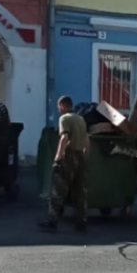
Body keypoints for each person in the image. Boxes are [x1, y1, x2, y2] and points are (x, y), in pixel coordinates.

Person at [39, 95, 90, 233]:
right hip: (80, 156)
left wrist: (58, 158)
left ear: (62, 106)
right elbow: (87, 139)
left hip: (69, 156)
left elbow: (64, 137)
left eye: (59, 107)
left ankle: (52, 221)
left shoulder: (64, 118)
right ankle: (81, 221)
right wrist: (85, 155)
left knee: (58, 190)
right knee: (80, 191)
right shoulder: (81, 119)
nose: (59, 110)